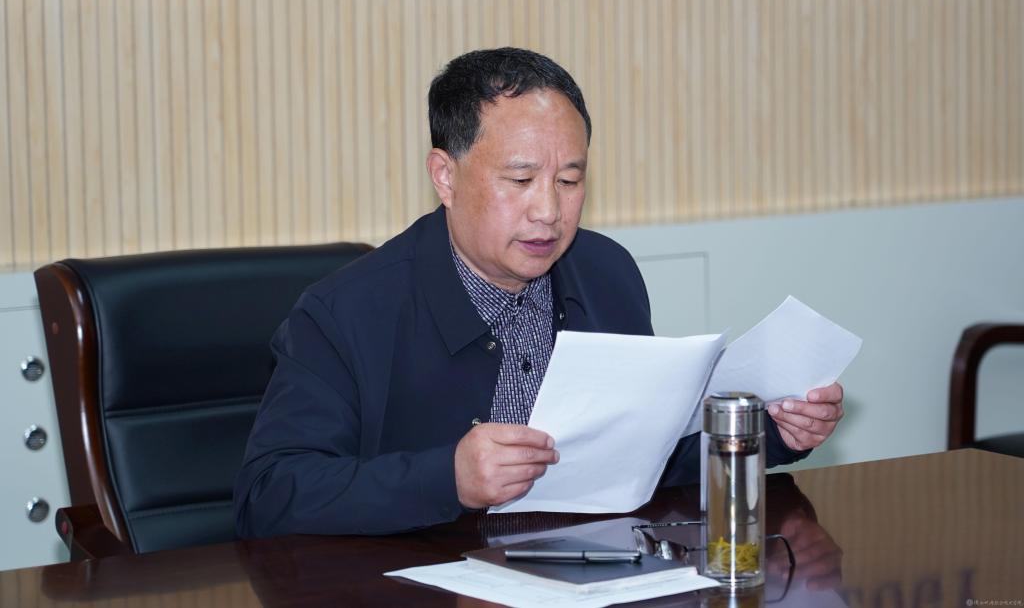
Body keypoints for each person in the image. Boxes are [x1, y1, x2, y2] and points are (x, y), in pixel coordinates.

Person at [234, 47, 844, 538]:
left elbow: (645, 459)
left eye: (569, 180)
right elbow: (269, 496)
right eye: (521, 179)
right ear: (445, 176)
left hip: (585, 571)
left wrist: (770, 432)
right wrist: (446, 477)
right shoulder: (344, 312)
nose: (549, 212)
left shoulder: (604, 273)